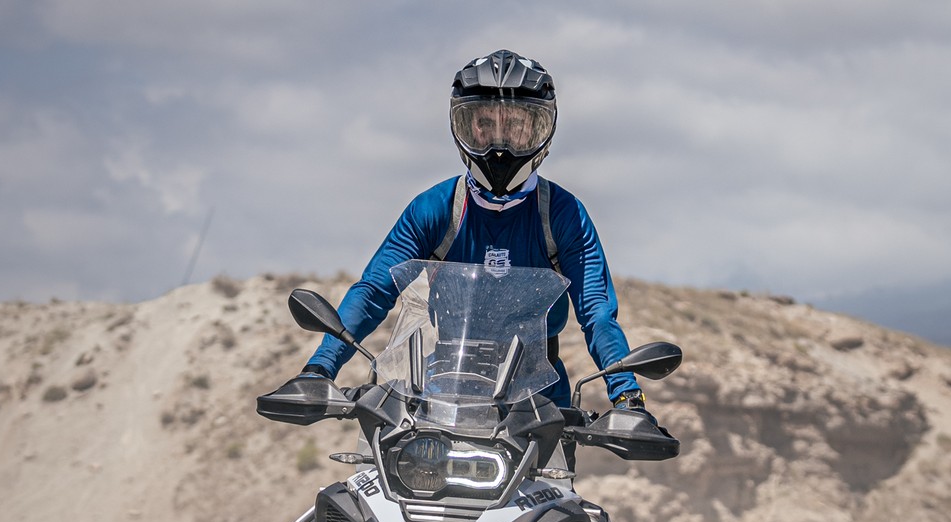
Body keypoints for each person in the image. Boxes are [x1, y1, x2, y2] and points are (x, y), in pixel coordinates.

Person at [262, 49, 658, 423]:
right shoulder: (434, 209)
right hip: (437, 399)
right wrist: (319, 369)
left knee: (561, 477)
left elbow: (597, 313)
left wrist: (628, 398)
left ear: (541, 131)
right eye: (484, 124)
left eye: (516, 126)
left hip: (539, 409)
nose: (499, 143)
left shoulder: (563, 215)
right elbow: (373, 291)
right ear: (463, 127)